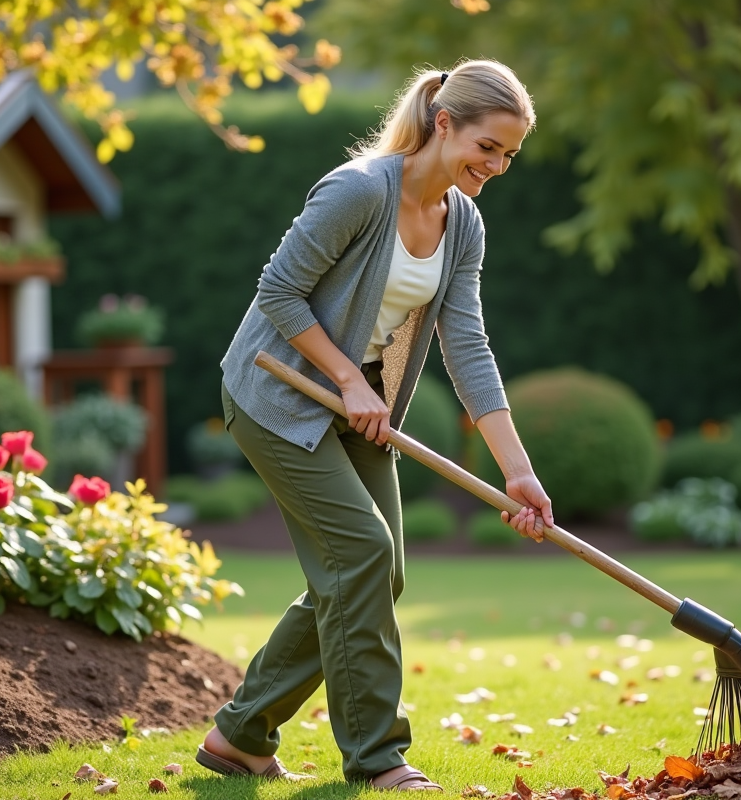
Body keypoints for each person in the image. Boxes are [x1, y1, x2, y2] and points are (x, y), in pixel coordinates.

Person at [196, 59, 555, 792]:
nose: (497, 165)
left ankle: (240, 735)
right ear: (445, 122)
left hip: (356, 408)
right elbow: (278, 292)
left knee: (374, 572)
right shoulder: (359, 191)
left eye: (509, 155)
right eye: (488, 146)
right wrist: (351, 378)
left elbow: (469, 348)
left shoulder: (464, 224)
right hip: (276, 394)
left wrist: (516, 471)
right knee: (360, 553)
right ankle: (377, 756)